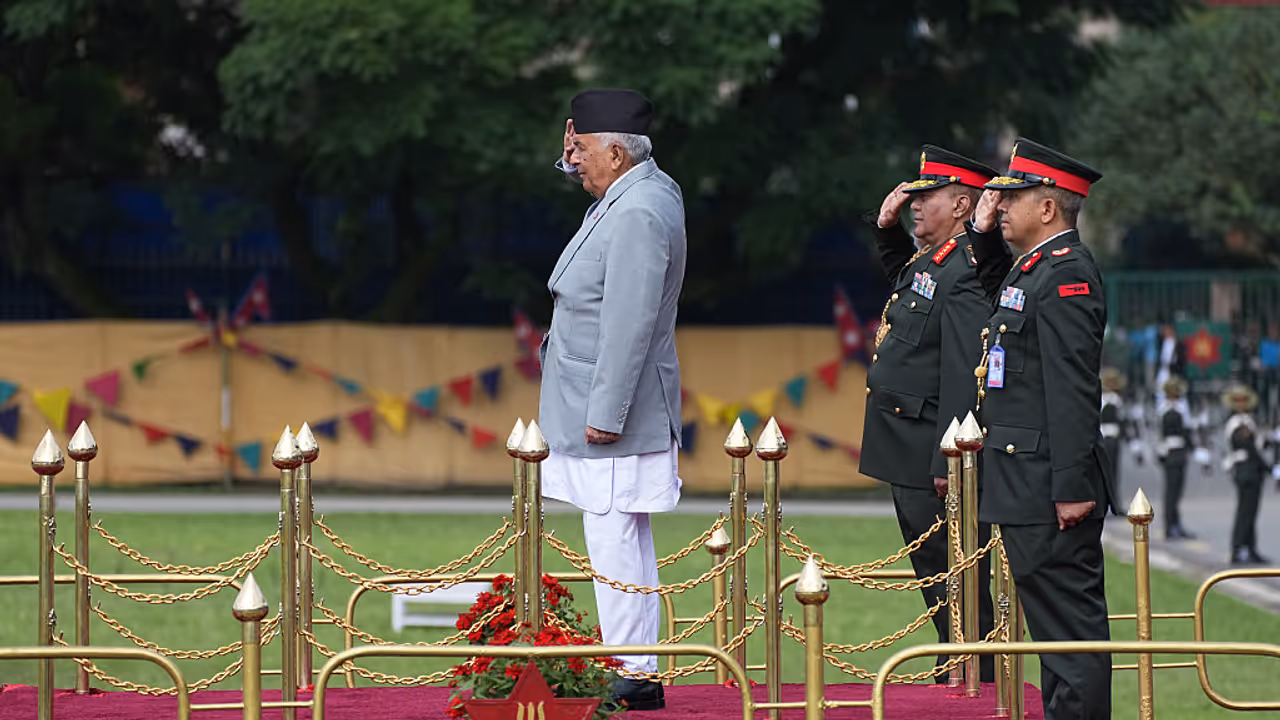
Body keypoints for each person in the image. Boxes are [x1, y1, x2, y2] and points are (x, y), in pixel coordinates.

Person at [538, 88, 686, 711]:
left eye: (583, 156)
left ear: (618, 152)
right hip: (599, 398)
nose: (575, 166)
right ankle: (634, 664)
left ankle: (632, 671)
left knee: (613, 534)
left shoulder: (637, 210)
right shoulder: (630, 193)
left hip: (612, 408)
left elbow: (628, 323)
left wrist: (606, 414)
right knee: (618, 534)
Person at [966, 138, 1117, 720]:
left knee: (1069, 638)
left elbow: (1073, 389)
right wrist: (981, 235)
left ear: (1049, 207)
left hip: (1049, 488)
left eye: (1014, 197)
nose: (1000, 206)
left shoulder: (1067, 277)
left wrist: (1071, 485)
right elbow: (993, 290)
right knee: (1054, 638)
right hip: (1025, 481)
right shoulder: (1034, 272)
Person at [860, 145, 997, 683]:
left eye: (928, 197)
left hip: (930, 449)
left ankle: (974, 673)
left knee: (953, 569)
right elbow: (909, 286)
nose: (915, 206)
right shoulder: (934, 259)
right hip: (907, 441)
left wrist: (949, 457)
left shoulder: (965, 267)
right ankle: (954, 660)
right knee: (934, 572)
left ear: (963, 204)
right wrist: (887, 230)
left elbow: (965, 369)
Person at [1223, 384, 1269, 566]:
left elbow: (1259, 445)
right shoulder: (1237, 424)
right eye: (1238, 400)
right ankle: (1237, 548)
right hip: (1245, 470)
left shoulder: (1250, 421)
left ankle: (1250, 548)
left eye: (1244, 400)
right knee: (1245, 511)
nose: (1242, 403)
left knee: (1251, 511)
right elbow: (1250, 448)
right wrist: (1269, 468)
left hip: (1252, 470)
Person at [1158, 376, 1196, 539]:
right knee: (1172, 491)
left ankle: (1175, 523)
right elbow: (1181, 433)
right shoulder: (1171, 412)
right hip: (1174, 452)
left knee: (1175, 491)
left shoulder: (1173, 410)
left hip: (1176, 452)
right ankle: (1170, 525)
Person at [1099, 367, 1131, 499]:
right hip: (1111, 438)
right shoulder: (1116, 400)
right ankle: (1113, 501)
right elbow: (1122, 420)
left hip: (1101, 438)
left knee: (1103, 472)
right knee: (1112, 472)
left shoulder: (1099, 399)